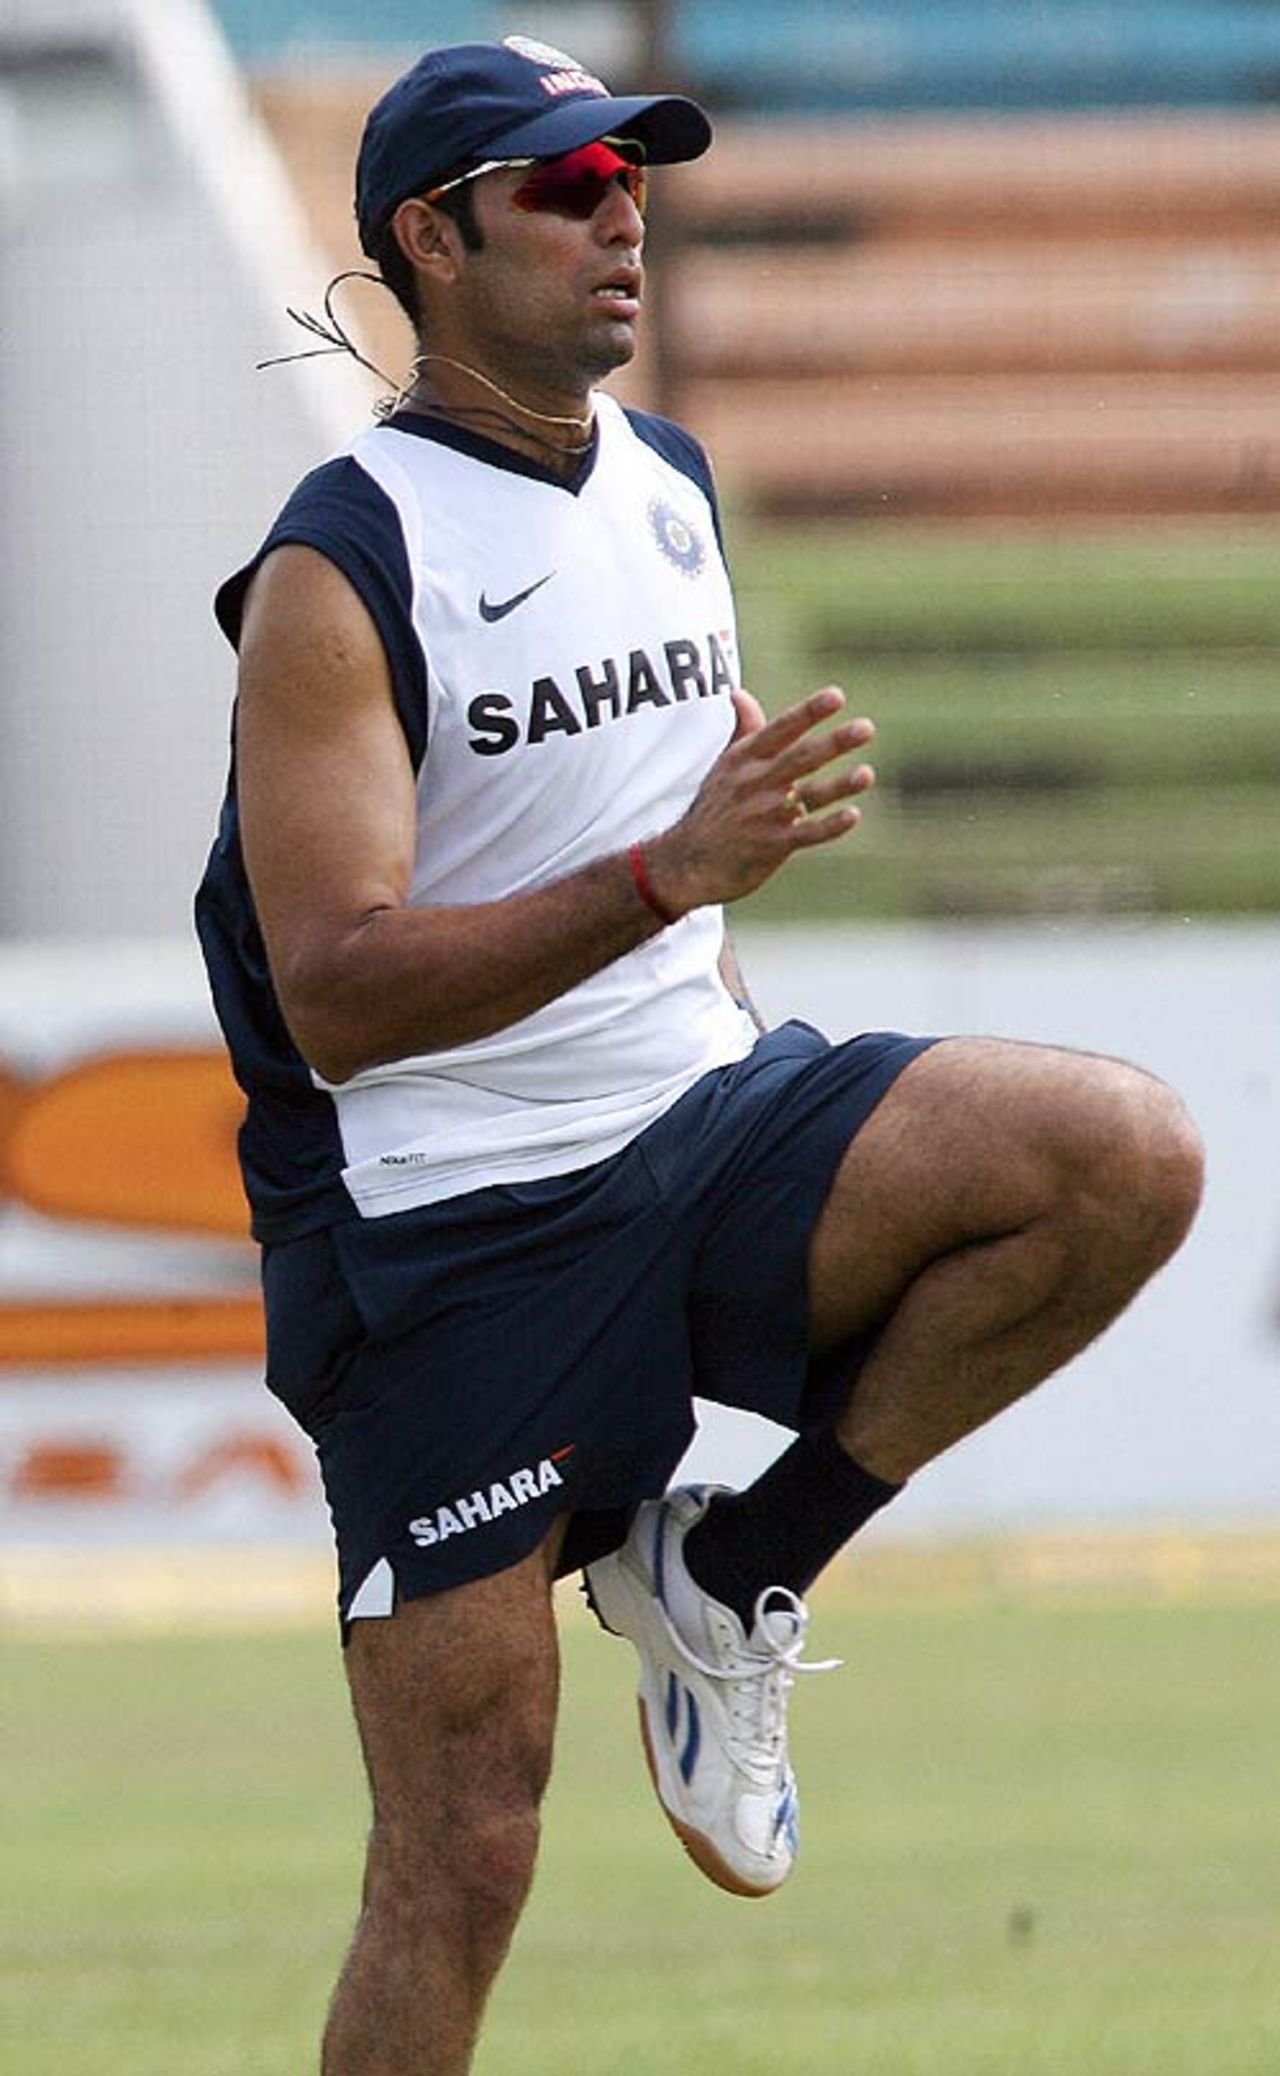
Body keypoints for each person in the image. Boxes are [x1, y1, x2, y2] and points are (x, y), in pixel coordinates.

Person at [195, 35, 1203, 2076]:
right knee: (463, 1856)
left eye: (632, 174)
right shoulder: (339, 564)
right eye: (563, 184)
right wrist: (668, 871)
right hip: (451, 1241)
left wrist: (691, 903)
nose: (623, 211)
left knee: (1120, 1159)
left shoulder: (668, 483)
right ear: (432, 234)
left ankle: (732, 1565)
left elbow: (651, 839)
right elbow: (339, 989)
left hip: (704, 1121)